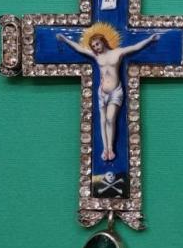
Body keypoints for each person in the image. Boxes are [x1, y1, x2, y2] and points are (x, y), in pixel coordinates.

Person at [57, 25, 159, 161]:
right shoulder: (96, 56)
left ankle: (111, 147)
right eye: (93, 46)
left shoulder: (118, 52)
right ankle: (106, 149)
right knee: (103, 120)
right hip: (102, 93)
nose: (96, 47)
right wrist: (65, 39)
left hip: (115, 92)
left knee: (110, 119)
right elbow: (80, 48)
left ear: (103, 41)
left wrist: (150, 39)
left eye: (97, 44)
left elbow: (135, 47)